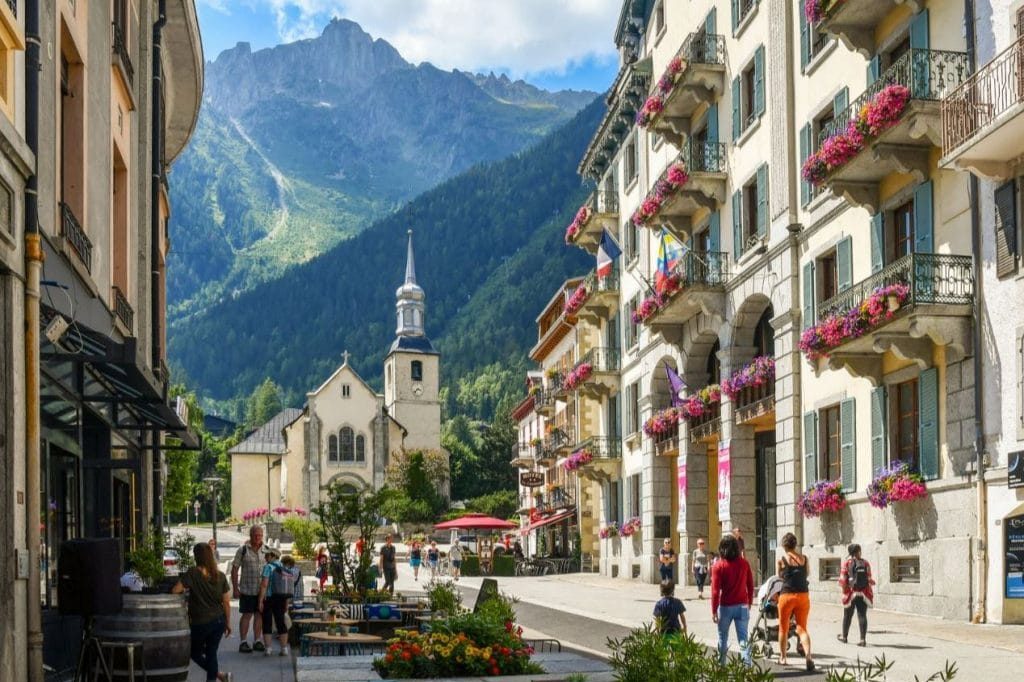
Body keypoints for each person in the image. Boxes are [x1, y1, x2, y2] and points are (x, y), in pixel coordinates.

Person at [173, 543, 233, 682]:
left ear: (197, 556)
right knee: (211, 652)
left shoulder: (193, 573)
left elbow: (175, 590)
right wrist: (228, 623)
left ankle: (218, 675)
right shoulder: (220, 576)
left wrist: (188, 590)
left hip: (200, 621)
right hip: (219, 620)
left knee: (194, 652)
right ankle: (217, 676)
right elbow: (227, 603)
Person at [710, 534, 753, 666]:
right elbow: (750, 585)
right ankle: (747, 666)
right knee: (743, 639)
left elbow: (715, 591)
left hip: (725, 606)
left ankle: (721, 665)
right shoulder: (744, 563)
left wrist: (714, 610)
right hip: (742, 605)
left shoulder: (718, 566)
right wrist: (749, 602)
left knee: (723, 638)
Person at [776, 532, 813, 671]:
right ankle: (808, 657)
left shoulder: (781, 560)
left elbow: (779, 576)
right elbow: (807, 573)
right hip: (803, 595)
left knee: (783, 628)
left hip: (787, 596)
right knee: (802, 628)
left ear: (784, 546)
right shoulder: (804, 559)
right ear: (795, 544)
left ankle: (783, 657)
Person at [231, 525, 268, 653]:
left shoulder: (267, 550)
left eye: (260, 535)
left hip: (262, 592)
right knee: (247, 615)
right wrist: (235, 588)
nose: (258, 537)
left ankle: (257, 640)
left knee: (259, 615)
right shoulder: (242, 550)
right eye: (255, 535)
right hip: (247, 589)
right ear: (250, 535)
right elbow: (234, 569)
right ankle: (243, 642)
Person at [257, 548, 296, 657]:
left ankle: (268, 649)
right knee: (281, 623)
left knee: (267, 623)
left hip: (269, 598)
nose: (265, 557)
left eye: (267, 555)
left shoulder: (268, 567)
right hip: (281, 598)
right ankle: (284, 649)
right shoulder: (284, 567)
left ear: (273, 556)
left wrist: (260, 601)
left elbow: (264, 585)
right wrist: (286, 603)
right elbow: (287, 588)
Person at [837, 543, 874, 647]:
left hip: (851, 593)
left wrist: (845, 590)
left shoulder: (847, 563)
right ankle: (862, 640)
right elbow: (869, 578)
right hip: (863, 593)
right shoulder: (865, 563)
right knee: (862, 615)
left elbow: (843, 580)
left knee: (847, 616)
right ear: (859, 551)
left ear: (850, 553)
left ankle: (844, 637)